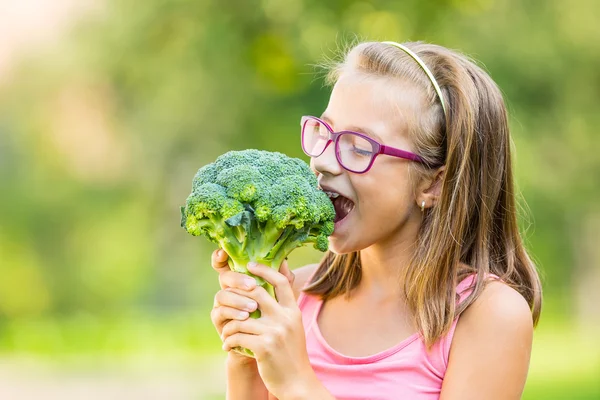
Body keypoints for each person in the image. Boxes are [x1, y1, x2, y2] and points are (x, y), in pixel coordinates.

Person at [209, 40, 542, 400]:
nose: (323, 161)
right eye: (326, 133)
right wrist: (244, 355)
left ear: (434, 183)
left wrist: (297, 385)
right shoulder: (297, 298)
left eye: (359, 146)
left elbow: (296, 386)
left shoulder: (487, 316)